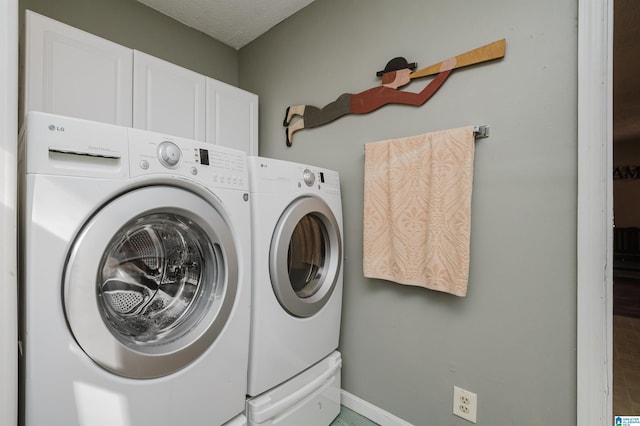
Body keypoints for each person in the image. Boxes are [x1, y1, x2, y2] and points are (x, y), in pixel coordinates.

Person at [283, 56, 457, 146]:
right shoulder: (388, 93)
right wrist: (443, 73)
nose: (410, 74)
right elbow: (419, 98)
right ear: (396, 73)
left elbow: (418, 98)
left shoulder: (388, 92)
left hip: (348, 103)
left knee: (322, 115)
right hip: (347, 104)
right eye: (407, 71)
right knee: (321, 117)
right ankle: (293, 122)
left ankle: (294, 112)